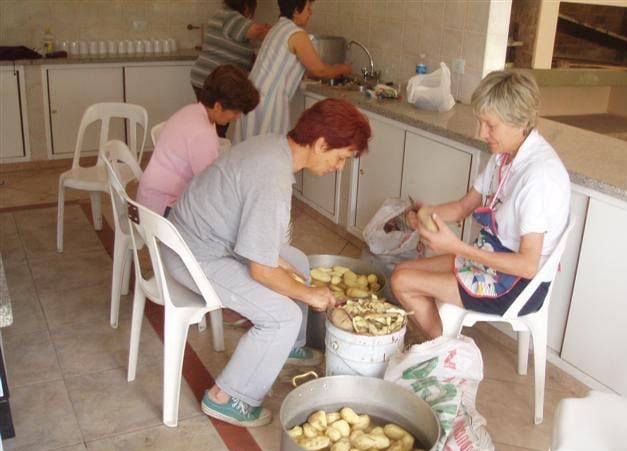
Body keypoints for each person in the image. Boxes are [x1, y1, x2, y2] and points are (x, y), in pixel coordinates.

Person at [164, 98, 371, 427]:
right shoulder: (272, 177)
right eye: (341, 157)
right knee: (284, 316)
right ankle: (227, 398)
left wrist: (286, 270)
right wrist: (310, 295)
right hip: (194, 255)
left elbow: (247, 225)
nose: (339, 167)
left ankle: (289, 346)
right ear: (320, 144)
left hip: (203, 234)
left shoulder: (275, 145)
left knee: (297, 261)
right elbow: (260, 271)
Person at [390, 70, 570, 340]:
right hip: (489, 260)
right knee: (401, 272)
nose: (482, 132)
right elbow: (463, 207)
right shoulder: (504, 156)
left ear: (520, 122)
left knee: (403, 282)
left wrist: (456, 247)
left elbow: (527, 266)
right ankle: (441, 341)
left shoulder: (539, 177)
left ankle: (444, 349)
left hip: (519, 284)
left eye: (490, 125)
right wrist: (425, 214)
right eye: (481, 122)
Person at [136, 65, 259, 216]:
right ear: (218, 106)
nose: (237, 117)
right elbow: (210, 188)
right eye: (235, 112)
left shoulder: (193, 110)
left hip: (150, 198)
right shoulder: (202, 133)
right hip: (160, 211)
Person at [234, 0, 352, 142]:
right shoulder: (296, 34)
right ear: (296, 10)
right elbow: (319, 70)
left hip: (253, 97)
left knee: (250, 149)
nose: (311, 12)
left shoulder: (278, 27)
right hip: (269, 103)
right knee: (269, 150)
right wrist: (342, 68)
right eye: (308, 8)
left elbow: (290, 64)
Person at [190, 0, 269, 100]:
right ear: (246, 7)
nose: (249, 17)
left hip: (207, 78)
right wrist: (280, 31)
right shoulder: (231, 17)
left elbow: (237, 48)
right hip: (212, 80)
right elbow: (258, 31)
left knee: (211, 109)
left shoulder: (224, 14)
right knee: (217, 109)